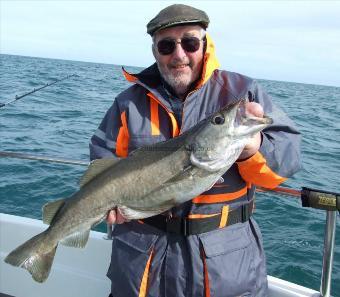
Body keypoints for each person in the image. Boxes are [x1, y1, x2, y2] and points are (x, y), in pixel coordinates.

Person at [90, 4, 301, 297]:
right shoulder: (128, 103)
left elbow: (286, 161)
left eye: (189, 42)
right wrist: (109, 203)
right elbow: (103, 159)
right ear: (154, 51)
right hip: (141, 266)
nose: (179, 55)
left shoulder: (242, 92)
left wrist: (254, 149)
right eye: (166, 45)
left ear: (204, 44)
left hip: (225, 269)